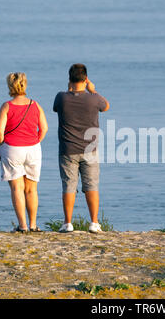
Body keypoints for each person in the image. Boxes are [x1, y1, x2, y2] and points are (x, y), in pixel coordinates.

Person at [53, 64, 110, 233]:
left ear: (69, 79)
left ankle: (67, 223)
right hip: (90, 150)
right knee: (91, 185)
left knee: (69, 186)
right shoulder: (93, 99)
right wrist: (93, 90)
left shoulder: (61, 97)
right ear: (86, 79)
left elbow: (56, 108)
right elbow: (106, 106)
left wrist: (70, 89)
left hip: (67, 149)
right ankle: (93, 222)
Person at [0, 72, 48, 233]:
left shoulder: (6, 106)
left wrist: (1, 143)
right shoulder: (35, 105)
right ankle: (33, 224)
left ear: (10, 86)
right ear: (25, 85)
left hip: (12, 149)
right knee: (31, 189)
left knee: (17, 188)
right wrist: (35, 140)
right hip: (33, 148)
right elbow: (44, 128)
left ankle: (22, 226)